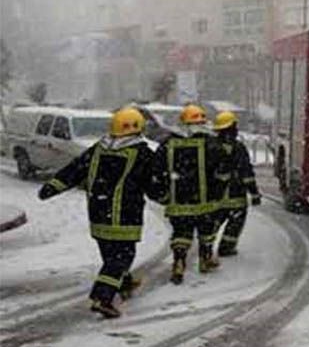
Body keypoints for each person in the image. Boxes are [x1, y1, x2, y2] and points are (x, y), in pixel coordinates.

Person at [38, 108, 156, 318]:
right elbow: (155, 183)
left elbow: (75, 169)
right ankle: (103, 298)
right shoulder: (142, 153)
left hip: (99, 214)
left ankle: (124, 283)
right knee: (122, 256)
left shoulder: (99, 149)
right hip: (124, 215)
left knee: (111, 253)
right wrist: (166, 197)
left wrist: (53, 186)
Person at [152, 104, 230, 285]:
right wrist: (219, 191)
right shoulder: (213, 144)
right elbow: (224, 171)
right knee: (206, 232)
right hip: (206, 202)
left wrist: (164, 195)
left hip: (179, 202)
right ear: (203, 121)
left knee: (181, 233)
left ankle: (179, 261)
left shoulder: (168, 143)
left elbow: (157, 171)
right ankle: (205, 259)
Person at [212, 111, 262, 257]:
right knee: (235, 223)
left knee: (213, 223)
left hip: (215, 197)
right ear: (231, 127)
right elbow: (247, 173)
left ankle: (206, 246)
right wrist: (254, 193)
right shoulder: (238, 148)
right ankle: (226, 247)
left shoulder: (211, 146)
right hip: (236, 196)